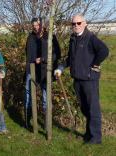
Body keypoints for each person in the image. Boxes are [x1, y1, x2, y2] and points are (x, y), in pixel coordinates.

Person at [54, 14, 109, 144]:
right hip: (77, 80)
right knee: (84, 108)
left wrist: (95, 64)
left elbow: (104, 51)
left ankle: (96, 138)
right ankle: (89, 134)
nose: (76, 26)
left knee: (93, 108)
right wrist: (61, 68)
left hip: (89, 80)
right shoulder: (73, 39)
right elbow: (70, 58)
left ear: (85, 23)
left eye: (78, 23)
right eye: (73, 24)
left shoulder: (90, 38)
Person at [24, 17, 61, 127]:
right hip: (31, 70)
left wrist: (43, 59)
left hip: (45, 72)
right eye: (34, 25)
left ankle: (46, 123)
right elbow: (28, 53)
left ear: (42, 25)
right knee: (28, 95)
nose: (36, 27)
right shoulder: (30, 37)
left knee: (46, 98)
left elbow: (57, 54)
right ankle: (28, 121)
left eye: (38, 25)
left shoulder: (50, 37)